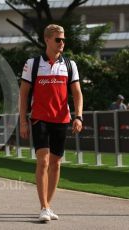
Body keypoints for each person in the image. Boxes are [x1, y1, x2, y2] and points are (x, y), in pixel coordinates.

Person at [19, 24, 83, 222]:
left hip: (61, 120)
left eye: (63, 39)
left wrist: (78, 116)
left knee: (55, 163)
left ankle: (48, 205)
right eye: (58, 39)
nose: (62, 43)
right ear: (47, 39)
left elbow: (77, 93)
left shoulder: (70, 65)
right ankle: (44, 206)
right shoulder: (33, 64)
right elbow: (23, 94)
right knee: (43, 161)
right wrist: (23, 120)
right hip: (39, 119)